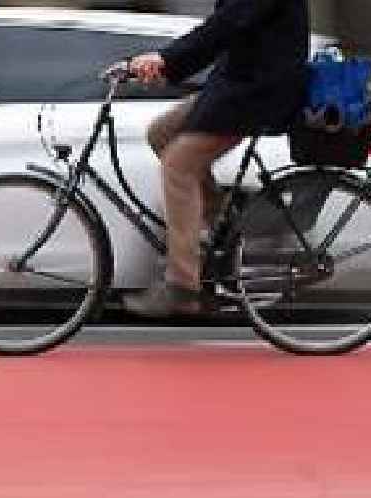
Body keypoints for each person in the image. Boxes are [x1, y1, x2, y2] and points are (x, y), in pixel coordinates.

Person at [122, 0, 310, 317]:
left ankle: (182, 286)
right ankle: (222, 229)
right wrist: (166, 66)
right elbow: (225, 30)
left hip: (258, 93)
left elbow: (226, 25)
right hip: (237, 85)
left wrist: (166, 59)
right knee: (161, 133)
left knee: (178, 165)